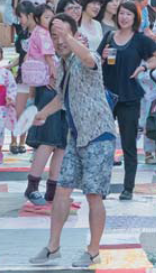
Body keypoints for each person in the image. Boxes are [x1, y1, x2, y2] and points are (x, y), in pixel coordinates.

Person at [29, 14, 116, 269]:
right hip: (76, 137)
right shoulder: (63, 64)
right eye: (54, 37)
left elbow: (89, 59)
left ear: (75, 35)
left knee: (93, 195)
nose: (59, 41)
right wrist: (43, 113)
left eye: (63, 35)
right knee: (61, 190)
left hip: (99, 135)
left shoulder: (87, 56)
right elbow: (60, 97)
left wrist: (68, 37)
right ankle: (53, 246)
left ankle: (93, 251)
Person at [97, 1, 156, 200]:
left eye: (129, 14)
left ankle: (128, 187)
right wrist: (101, 57)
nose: (124, 17)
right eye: (121, 13)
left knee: (128, 143)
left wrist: (144, 67)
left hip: (130, 96)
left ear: (135, 18)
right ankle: (100, 185)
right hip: (107, 95)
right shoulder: (109, 36)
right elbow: (93, 62)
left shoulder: (140, 40)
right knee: (103, 141)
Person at [20, 5, 67, 206]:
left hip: (51, 91)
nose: (50, 20)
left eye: (52, 16)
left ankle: (52, 189)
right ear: (37, 18)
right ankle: (33, 186)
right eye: (47, 17)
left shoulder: (37, 34)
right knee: (49, 142)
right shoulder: (44, 34)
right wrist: (56, 78)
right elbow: (50, 60)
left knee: (60, 144)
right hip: (51, 90)